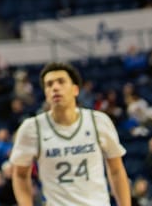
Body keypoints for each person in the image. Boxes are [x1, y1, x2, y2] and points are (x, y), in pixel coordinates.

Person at [9, 62, 131, 206]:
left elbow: (116, 170)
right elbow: (20, 175)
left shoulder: (98, 121)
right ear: (45, 94)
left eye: (61, 82)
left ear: (75, 90)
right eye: (49, 85)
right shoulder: (31, 128)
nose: (55, 87)